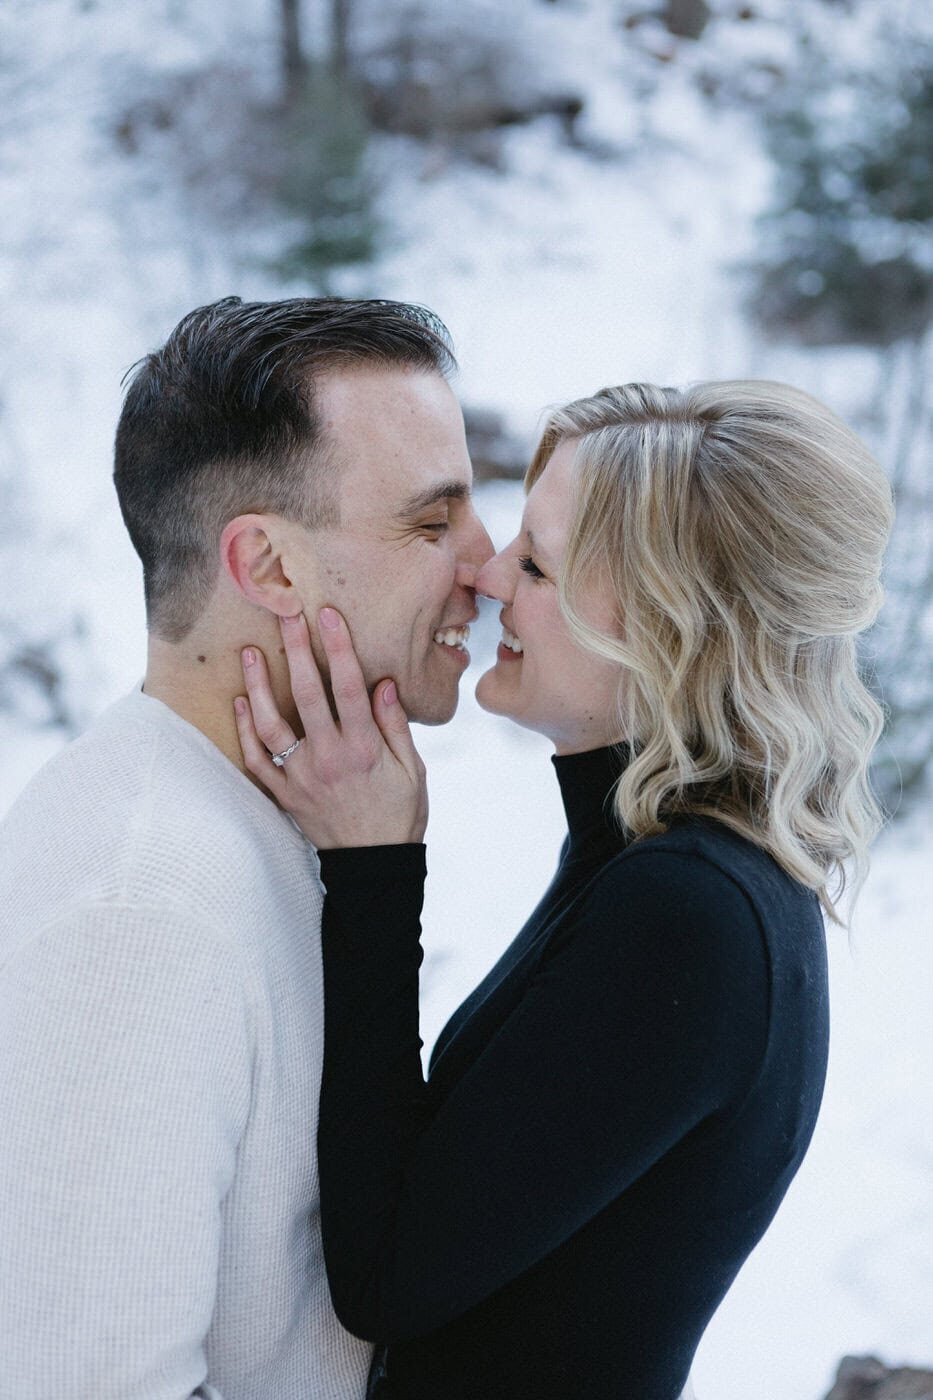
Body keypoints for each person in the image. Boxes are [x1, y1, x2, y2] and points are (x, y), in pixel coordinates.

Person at [235, 379, 894, 1400]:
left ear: (678, 628)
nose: (489, 575)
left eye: (537, 564)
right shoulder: (666, 866)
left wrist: (374, 866)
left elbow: (386, 1275)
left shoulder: (689, 914)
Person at [0, 296, 492, 1398]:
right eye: (432, 522)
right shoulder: (141, 904)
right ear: (268, 567)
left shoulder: (254, 828)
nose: (489, 563)